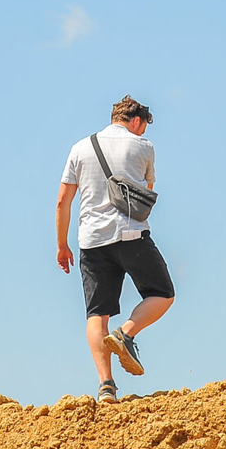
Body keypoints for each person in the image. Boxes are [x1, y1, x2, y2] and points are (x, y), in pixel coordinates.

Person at [55, 95, 175, 404]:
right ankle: (126, 333)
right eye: (143, 127)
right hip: (130, 234)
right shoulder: (143, 147)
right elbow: (146, 192)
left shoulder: (79, 148)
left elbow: (63, 201)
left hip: (91, 241)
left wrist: (62, 245)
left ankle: (106, 386)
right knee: (163, 293)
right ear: (136, 121)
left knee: (97, 315)